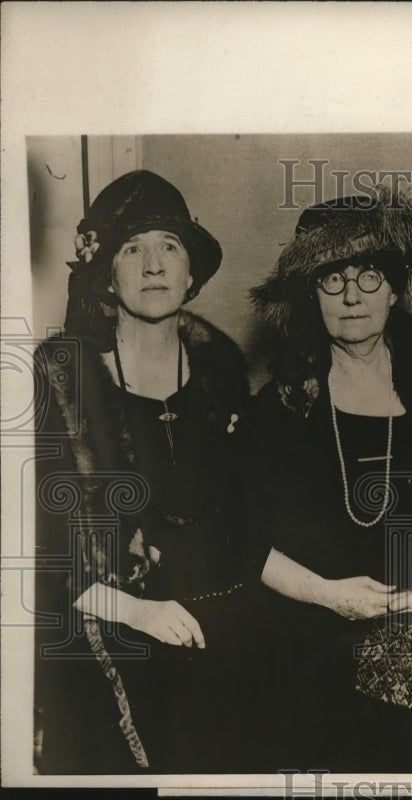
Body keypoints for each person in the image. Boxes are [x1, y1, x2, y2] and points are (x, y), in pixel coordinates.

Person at [34, 170, 265, 773]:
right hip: (113, 630)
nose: (154, 265)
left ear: (192, 274)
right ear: (107, 274)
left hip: (223, 625)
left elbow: (247, 522)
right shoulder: (67, 383)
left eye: (170, 246)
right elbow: (50, 549)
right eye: (131, 249)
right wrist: (137, 612)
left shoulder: (222, 375)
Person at [248, 186, 412, 772]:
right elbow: (243, 541)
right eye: (332, 279)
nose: (352, 296)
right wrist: (331, 595)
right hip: (314, 622)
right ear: (311, 294)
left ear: (395, 289)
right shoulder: (276, 411)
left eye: (369, 275)